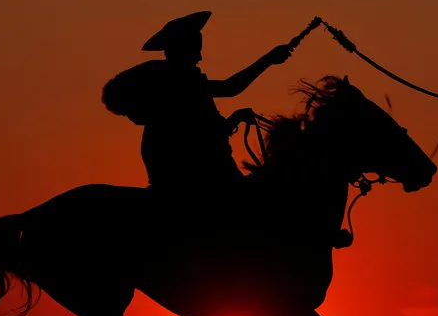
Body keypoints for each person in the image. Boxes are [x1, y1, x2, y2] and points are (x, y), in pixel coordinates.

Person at [101, 11, 294, 195]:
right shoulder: (178, 83)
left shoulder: (167, 84)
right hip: (199, 177)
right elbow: (230, 89)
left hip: (171, 174)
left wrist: (235, 118)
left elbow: (203, 134)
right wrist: (268, 60)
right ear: (182, 50)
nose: (199, 57)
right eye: (195, 50)